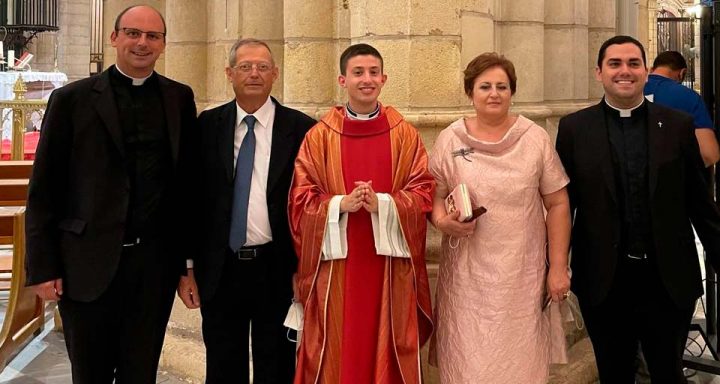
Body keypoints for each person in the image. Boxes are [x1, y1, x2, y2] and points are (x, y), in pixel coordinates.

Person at [555, 35, 720, 383]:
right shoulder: (573, 129)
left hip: (667, 280)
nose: (624, 71)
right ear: (599, 72)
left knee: (668, 373)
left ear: (646, 71)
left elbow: (700, 205)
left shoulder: (677, 125)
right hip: (603, 281)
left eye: (633, 63)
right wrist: (553, 267)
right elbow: (562, 205)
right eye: (615, 64)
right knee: (614, 374)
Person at [25, 5, 199, 383]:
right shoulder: (72, 99)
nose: (142, 43)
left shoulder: (179, 98)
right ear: (114, 37)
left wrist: (186, 265)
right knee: (90, 373)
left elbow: (185, 187)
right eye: (133, 33)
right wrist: (43, 267)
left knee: (141, 373)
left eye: (153, 36)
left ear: (164, 44)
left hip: (153, 266)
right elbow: (44, 188)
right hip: (85, 263)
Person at [288, 43, 434, 384]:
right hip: (337, 266)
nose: (366, 80)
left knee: (382, 341)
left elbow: (423, 191)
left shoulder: (404, 135)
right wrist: (340, 204)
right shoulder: (319, 137)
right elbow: (299, 200)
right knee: (339, 344)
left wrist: (383, 204)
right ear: (343, 80)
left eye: (373, 73)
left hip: (388, 267)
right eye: (358, 73)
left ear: (384, 78)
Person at [175, 39, 314, 383]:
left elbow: (311, 206)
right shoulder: (206, 126)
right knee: (223, 366)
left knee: (278, 365)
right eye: (245, 67)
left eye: (263, 67)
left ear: (275, 74)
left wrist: (306, 270)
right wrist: (186, 267)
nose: (254, 73)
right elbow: (190, 200)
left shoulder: (302, 129)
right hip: (220, 269)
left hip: (277, 269)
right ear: (229, 74)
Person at [428, 52, 572, 384]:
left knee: (518, 366)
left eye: (502, 87)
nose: (494, 93)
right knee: (468, 366)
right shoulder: (451, 139)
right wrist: (441, 221)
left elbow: (558, 203)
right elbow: (433, 196)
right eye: (485, 86)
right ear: (470, 92)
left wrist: (558, 266)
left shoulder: (533, 138)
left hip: (521, 277)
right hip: (466, 281)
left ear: (512, 92)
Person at [644, 50, 719, 166]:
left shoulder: (630, 92)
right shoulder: (689, 97)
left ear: (652, 69)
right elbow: (709, 155)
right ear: (682, 73)